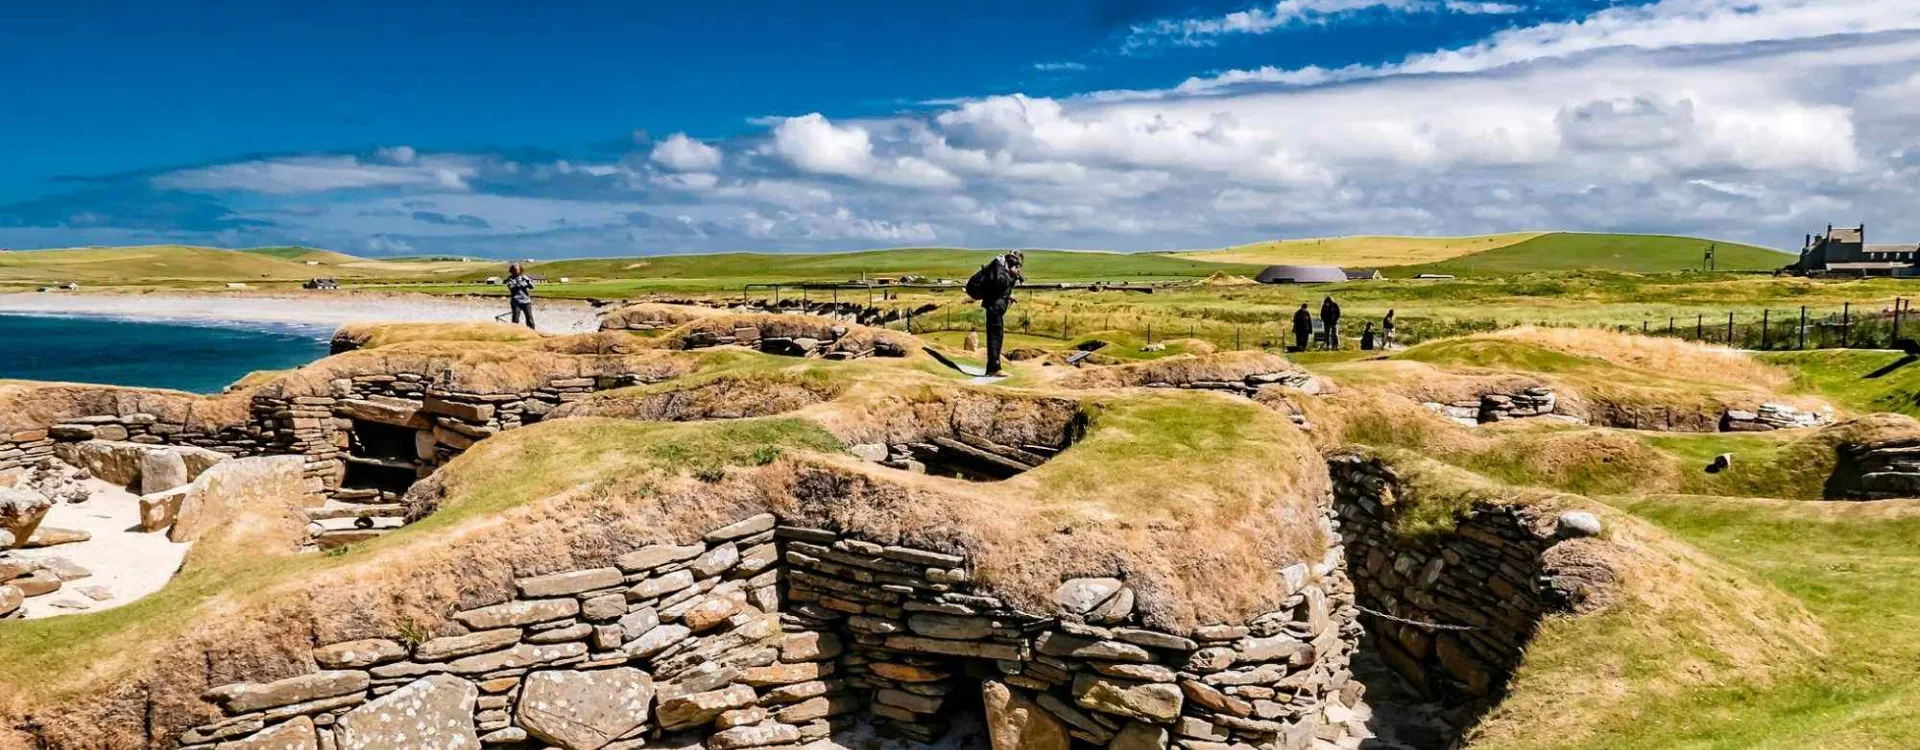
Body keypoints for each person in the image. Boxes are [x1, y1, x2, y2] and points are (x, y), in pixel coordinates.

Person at [965, 249, 1024, 375]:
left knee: (997, 335)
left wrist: (1008, 297)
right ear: (1012, 264)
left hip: (994, 307)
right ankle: (994, 368)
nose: (1019, 270)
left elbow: (997, 289)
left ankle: (993, 367)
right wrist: (1011, 277)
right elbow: (997, 285)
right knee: (995, 336)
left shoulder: (1001, 271)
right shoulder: (1000, 273)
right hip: (994, 308)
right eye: (1017, 266)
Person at [505, 263, 536, 330]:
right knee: (515, 319)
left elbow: (532, 286)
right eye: (515, 270)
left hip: (526, 301)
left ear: (520, 270)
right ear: (512, 270)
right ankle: (514, 332)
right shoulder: (509, 279)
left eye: (517, 269)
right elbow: (511, 287)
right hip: (516, 302)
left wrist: (527, 281)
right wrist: (521, 284)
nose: (516, 271)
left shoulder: (524, 277)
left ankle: (532, 332)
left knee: (529, 319)